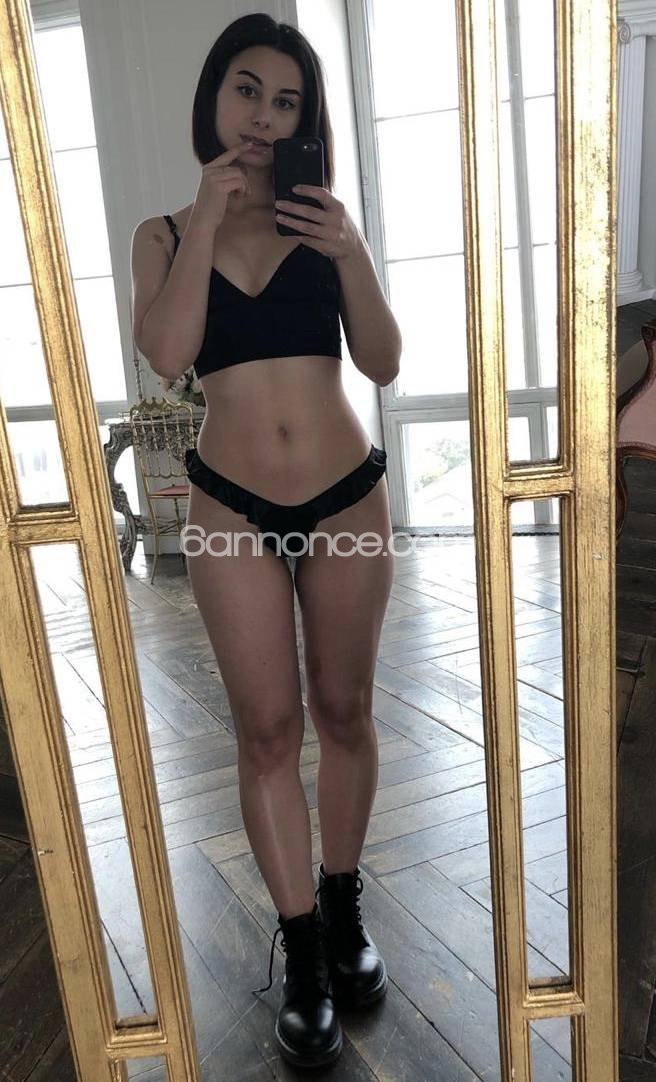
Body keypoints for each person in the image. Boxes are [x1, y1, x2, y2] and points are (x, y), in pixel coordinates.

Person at [130, 13, 402, 1069]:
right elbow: (168, 355)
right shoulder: (165, 232)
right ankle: (302, 955)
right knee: (265, 730)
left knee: (343, 709)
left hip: (345, 498)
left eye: (286, 102)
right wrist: (206, 217)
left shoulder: (322, 224)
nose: (262, 116)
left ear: (304, 121)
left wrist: (351, 247)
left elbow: (381, 361)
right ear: (213, 96)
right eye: (246, 90)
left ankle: (342, 905)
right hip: (230, 507)